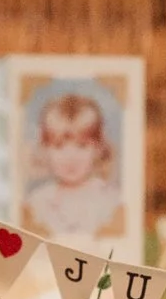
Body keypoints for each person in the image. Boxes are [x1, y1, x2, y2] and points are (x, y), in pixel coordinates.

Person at [22, 88, 126, 242]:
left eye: (82, 146)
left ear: (98, 148)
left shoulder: (111, 199)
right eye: (59, 146)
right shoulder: (38, 201)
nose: (70, 157)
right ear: (45, 149)